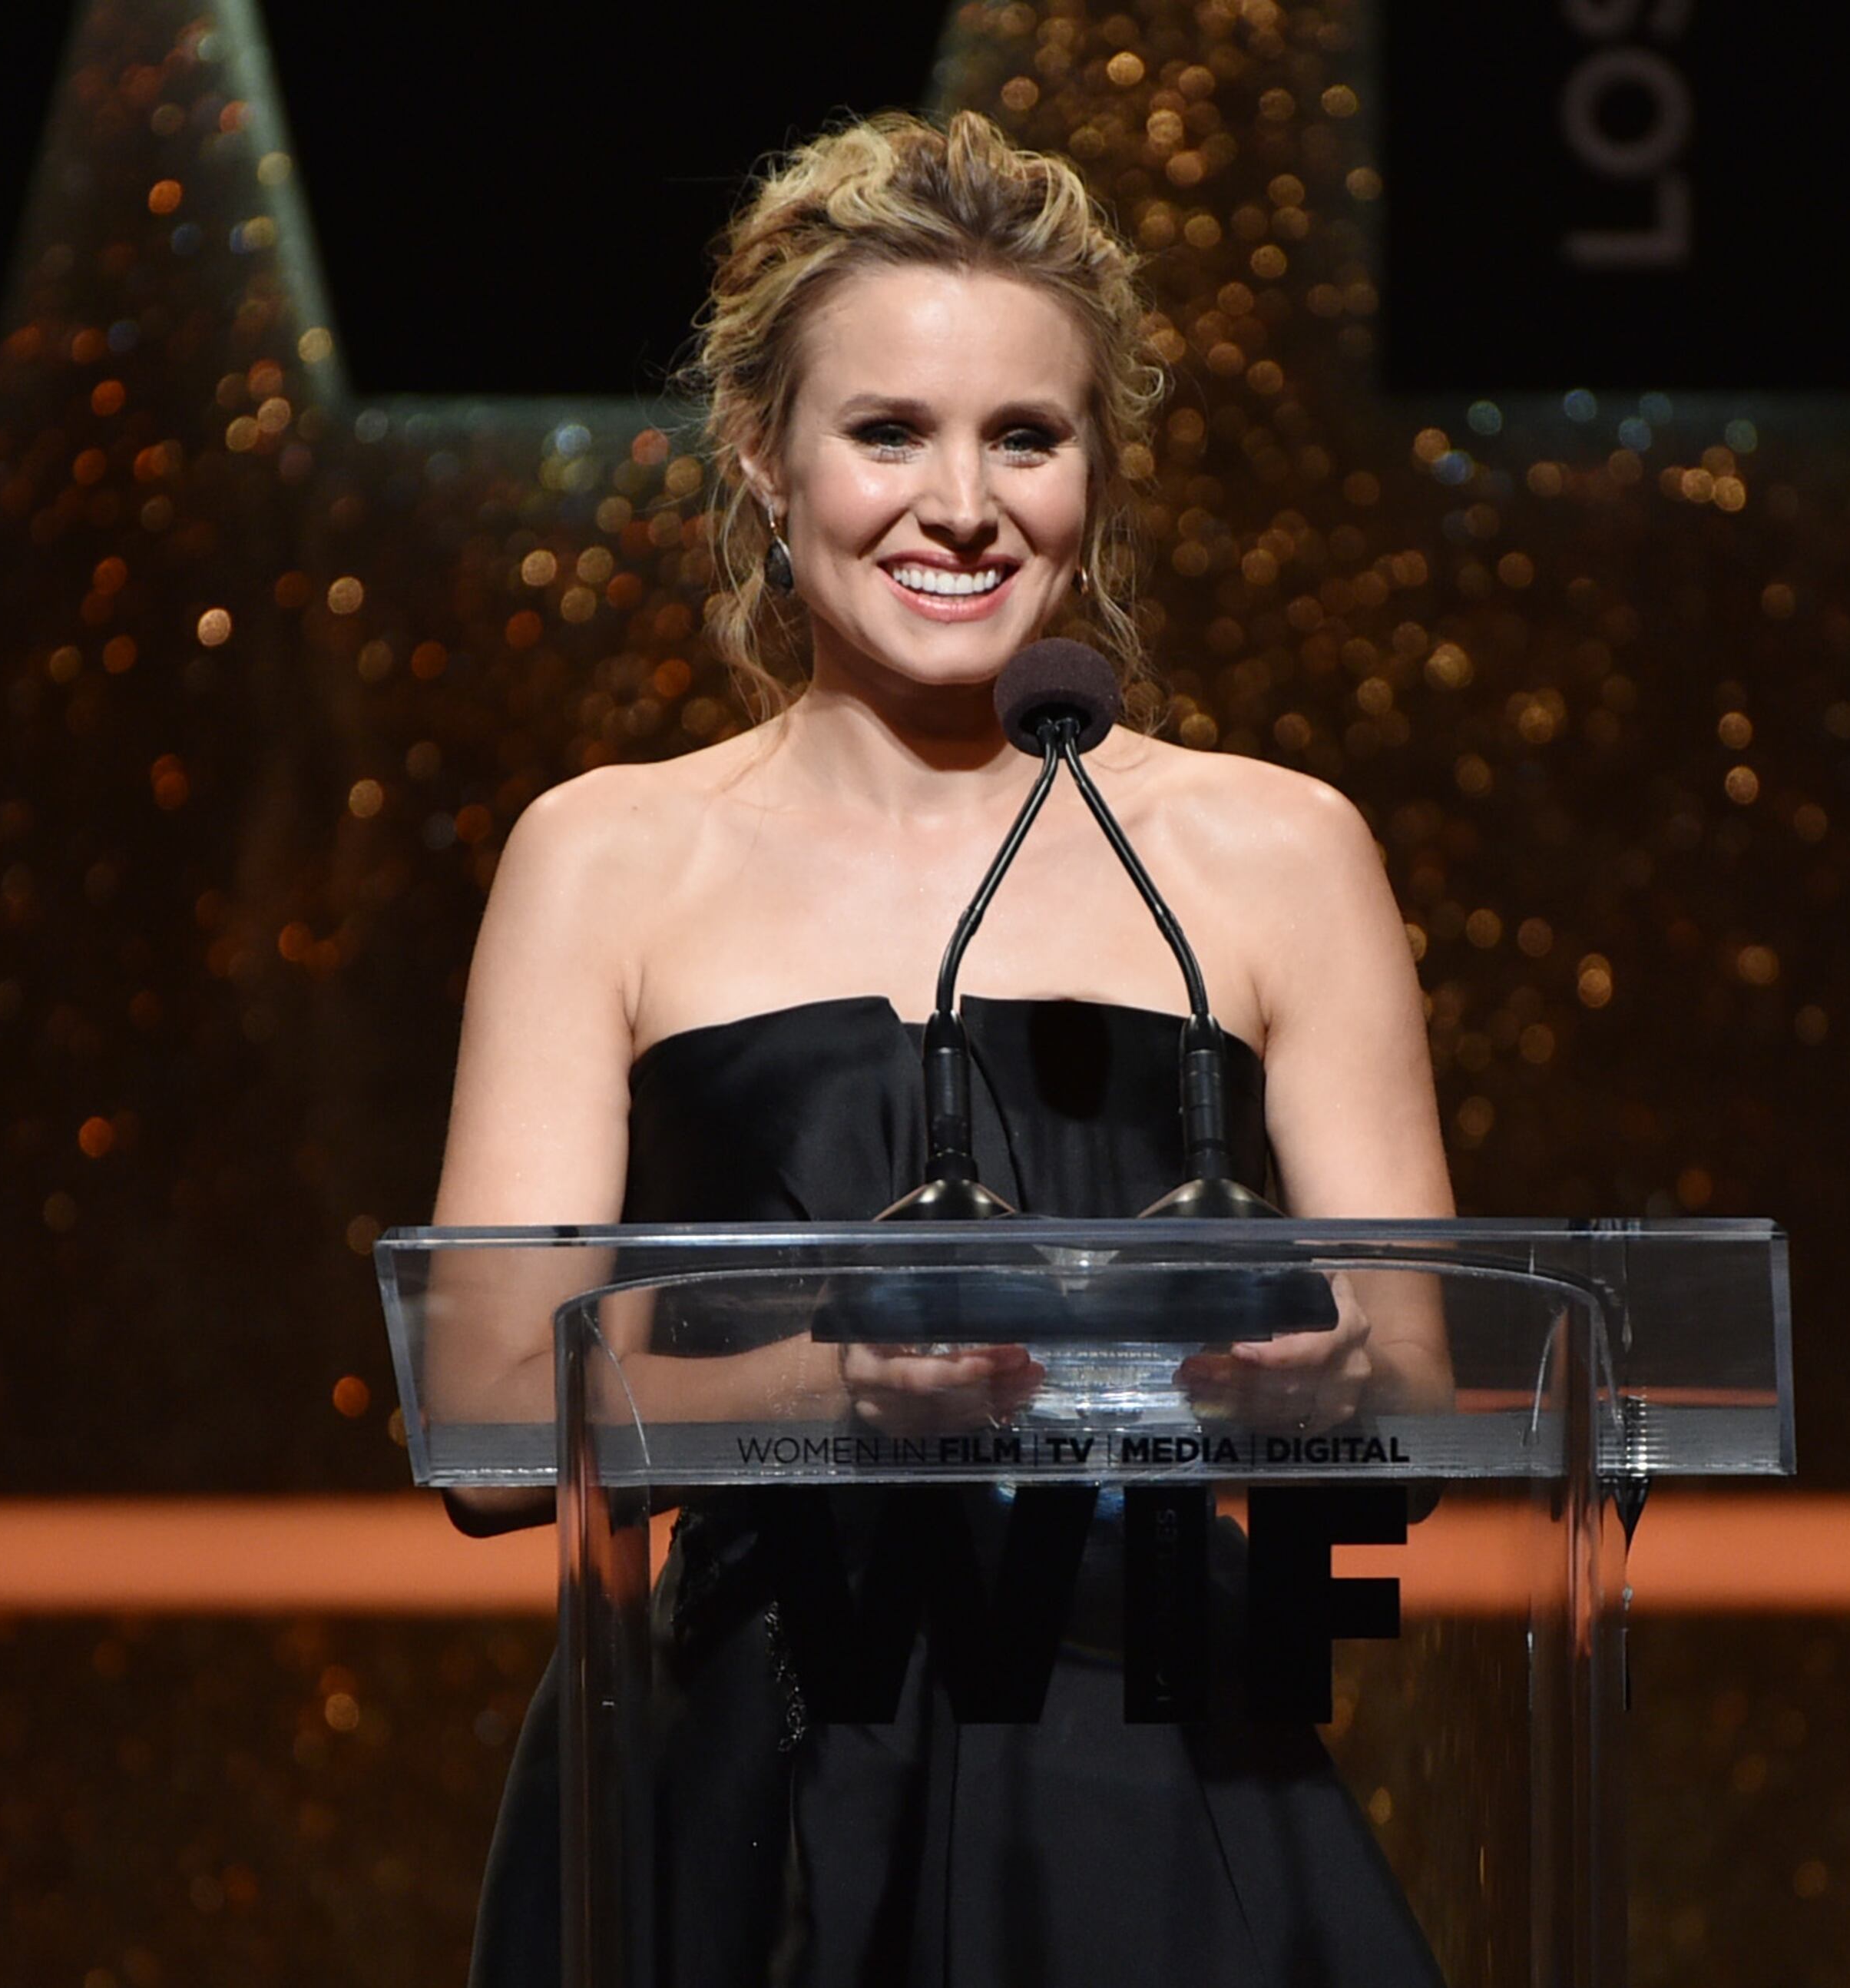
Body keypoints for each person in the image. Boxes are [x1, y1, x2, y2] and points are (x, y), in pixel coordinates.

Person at [430, 110, 1455, 1987]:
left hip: (1157, 1768)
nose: (962, 505)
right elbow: (493, 1417)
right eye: (890, 432)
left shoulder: (1279, 851)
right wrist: (832, 1393)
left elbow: (1425, 1385)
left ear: (1098, 474)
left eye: (1027, 437)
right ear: (766, 455)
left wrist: (1310, 1385)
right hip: (748, 1783)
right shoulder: (606, 857)